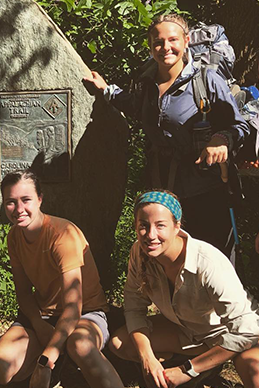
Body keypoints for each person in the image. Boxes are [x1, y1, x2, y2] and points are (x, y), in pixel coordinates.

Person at [83, 13, 249, 260]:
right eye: (158, 42)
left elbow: (239, 125)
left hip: (206, 187)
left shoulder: (206, 80)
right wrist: (106, 90)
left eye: (173, 40)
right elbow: (135, 107)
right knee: (172, 259)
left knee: (213, 261)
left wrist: (222, 139)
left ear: (186, 41)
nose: (165, 47)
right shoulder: (147, 83)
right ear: (150, 47)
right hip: (163, 190)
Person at [110, 190, 259, 388]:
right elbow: (133, 307)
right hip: (184, 331)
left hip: (227, 336)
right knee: (120, 343)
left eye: (160, 225)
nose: (151, 235)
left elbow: (248, 330)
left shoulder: (207, 262)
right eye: (143, 226)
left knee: (254, 376)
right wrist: (147, 358)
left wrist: (188, 370)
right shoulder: (139, 251)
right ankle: (199, 368)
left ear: (177, 227)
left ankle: (199, 368)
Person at [0, 170, 124, 388]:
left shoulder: (62, 235)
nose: (19, 209)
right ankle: (61, 367)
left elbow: (73, 307)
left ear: (40, 199)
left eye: (26, 200)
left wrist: (45, 361)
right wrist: (38, 324)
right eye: (10, 202)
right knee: (0, 370)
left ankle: (61, 363)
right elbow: (23, 293)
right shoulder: (14, 237)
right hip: (44, 314)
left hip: (84, 313)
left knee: (80, 345)